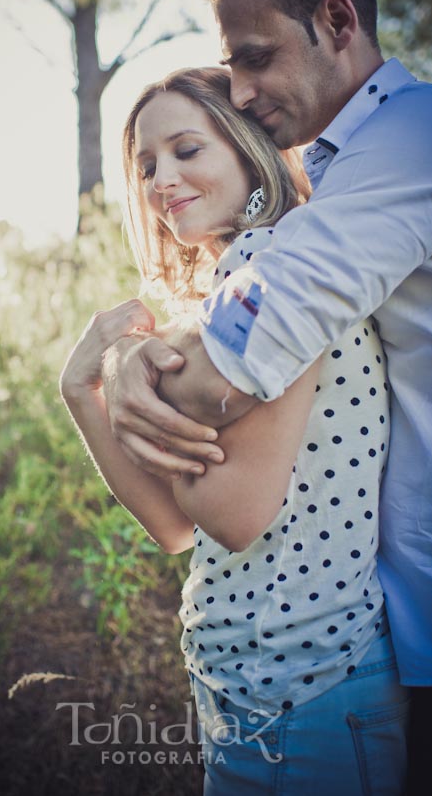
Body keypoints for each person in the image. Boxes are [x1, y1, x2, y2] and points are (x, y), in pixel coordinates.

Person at [98, 0, 432, 796]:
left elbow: (255, 334)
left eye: (256, 57)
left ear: (337, 23)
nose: (242, 88)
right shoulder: (347, 165)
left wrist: (117, 368)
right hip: (407, 616)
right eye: (231, 63)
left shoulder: (421, 138)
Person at [61, 66, 409, 795]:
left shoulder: (279, 270)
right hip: (243, 682)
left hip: (306, 689)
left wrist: (142, 376)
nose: (162, 179)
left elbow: (230, 514)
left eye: (187, 149)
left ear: (249, 150)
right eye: (147, 164)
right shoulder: (233, 287)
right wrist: (82, 391)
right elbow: (174, 529)